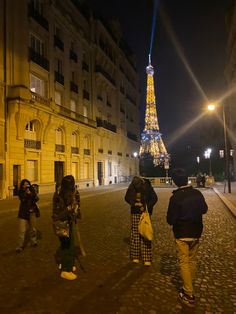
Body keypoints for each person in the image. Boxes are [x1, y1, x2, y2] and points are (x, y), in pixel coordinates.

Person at [167, 168, 208, 307]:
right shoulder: (197, 193)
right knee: (192, 261)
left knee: (184, 262)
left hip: (182, 234)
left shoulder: (175, 197)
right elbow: (204, 209)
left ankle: (188, 294)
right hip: (196, 232)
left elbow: (170, 219)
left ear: (175, 182)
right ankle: (189, 283)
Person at [52, 175, 81, 280]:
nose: (73, 187)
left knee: (70, 244)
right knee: (66, 245)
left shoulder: (73, 192)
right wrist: (69, 209)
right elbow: (57, 214)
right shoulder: (59, 195)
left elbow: (77, 204)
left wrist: (76, 210)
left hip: (70, 222)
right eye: (71, 185)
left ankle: (67, 263)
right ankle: (65, 270)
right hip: (61, 223)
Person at [125, 176, 158, 266]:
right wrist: (134, 203)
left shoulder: (148, 186)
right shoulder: (132, 187)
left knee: (146, 233)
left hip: (145, 213)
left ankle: (147, 258)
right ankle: (135, 257)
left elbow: (154, 198)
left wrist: (146, 206)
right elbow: (127, 198)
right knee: (135, 235)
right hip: (135, 212)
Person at [16, 179, 40, 253]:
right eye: (24, 184)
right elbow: (22, 199)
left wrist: (30, 193)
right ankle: (20, 246)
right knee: (22, 230)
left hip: (32, 211)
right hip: (23, 213)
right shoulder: (21, 192)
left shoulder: (32, 191)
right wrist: (26, 194)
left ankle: (33, 241)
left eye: (27, 184)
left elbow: (36, 199)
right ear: (22, 186)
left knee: (33, 228)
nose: (26, 185)